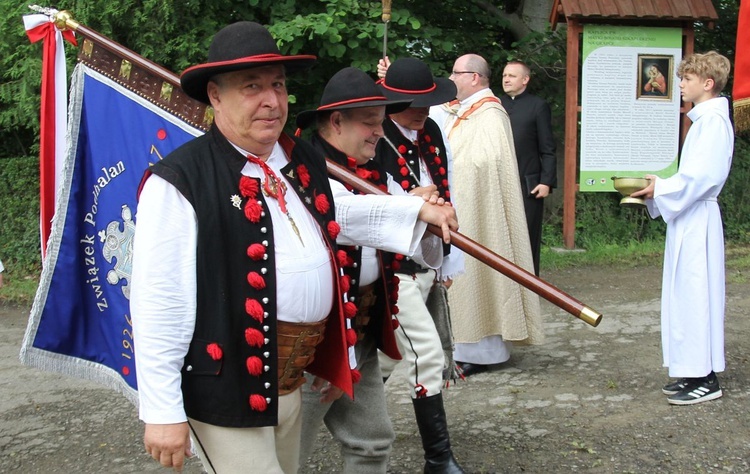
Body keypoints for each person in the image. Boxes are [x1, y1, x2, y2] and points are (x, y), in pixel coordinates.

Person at [130, 22, 458, 473]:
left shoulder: (300, 159)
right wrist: (163, 411)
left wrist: (413, 212)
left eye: (279, 85)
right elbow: (158, 301)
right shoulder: (180, 180)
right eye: (252, 87)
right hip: (226, 386)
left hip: (291, 380)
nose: (272, 100)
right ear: (215, 96)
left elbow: (337, 226)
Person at [296, 66, 457, 473]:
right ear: (336, 121)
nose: (379, 133)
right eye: (370, 123)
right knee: (283, 455)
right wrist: (414, 208)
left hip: (360, 326)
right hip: (313, 340)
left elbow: (401, 213)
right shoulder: (302, 165)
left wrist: (429, 211)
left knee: (372, 442)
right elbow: (341, 211)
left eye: (381, 124)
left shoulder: (371, 167)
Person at [374, 57, 466, 473]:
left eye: (427, 102)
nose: (423, 111)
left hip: (425, 259)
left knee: (388, 357)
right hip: (391, 267)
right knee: (425, 355)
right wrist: (412, 201)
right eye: (413, 104)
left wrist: (445, 259)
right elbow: (372, 206)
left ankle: (342, 408)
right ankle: (439, 460)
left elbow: (445, 190)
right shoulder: (376, 136)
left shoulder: (429, 130)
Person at [631, 51, 733, 406]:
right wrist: (660, 188)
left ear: (708, 84)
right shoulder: (702, 119)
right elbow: (692, 177)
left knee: (697, 293)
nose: (680, 84)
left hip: (699, 218)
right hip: (688, 215)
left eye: (687, 79)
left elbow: (706, 177)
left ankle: (706, 376)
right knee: (684, 293)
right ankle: (691, 370)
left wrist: (661, 187)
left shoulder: (714, 122)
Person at [433, 54, 543, 377]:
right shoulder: (459, 109)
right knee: (465, 278)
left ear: (475, 78)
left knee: (482, 274)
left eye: (456, 72)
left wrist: (458, 173)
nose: (450, 77)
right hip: (461, 204)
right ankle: (463, 347)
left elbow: (487, 161)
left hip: (481, 208)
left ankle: (485, 352)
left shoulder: (491, 114)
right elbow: (427, 113)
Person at [500, 60, 557, 276]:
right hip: (500, 181)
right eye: (505, 75)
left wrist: (546, 181)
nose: (506, 79)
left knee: (527, 234)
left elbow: (548, 147)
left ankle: (529, 279)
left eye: (512, 76)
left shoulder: (537, 106)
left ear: (525, 80)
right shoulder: (495, 104)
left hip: (529, 183)